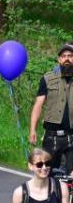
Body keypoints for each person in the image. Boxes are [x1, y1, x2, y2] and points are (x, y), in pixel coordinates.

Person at [30, 42, 73, 171]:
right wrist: (32, 130)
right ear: (59, 60)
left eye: (70, 56)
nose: (67, 59)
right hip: (51, 136)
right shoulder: (47, 79)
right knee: (47, 174)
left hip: (71, 135)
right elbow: (38, 105)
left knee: (71, 176)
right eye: (64, 56)